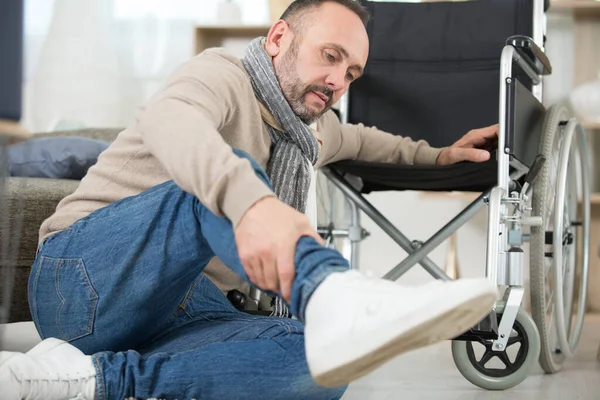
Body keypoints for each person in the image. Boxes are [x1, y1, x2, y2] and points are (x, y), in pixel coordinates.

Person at [0, 1, 500, 399]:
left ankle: (88, 381)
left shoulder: (313, 130)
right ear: (280, 38)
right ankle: (329, 291)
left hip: (190, 305)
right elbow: (171, 119)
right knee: (223, 175)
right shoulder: (221, 73)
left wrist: (439, 155)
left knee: (324, 364)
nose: (337, 81)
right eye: (331, 56)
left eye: (351, 73)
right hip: (84, 280)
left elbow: (367, 141)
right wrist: (256, 205)